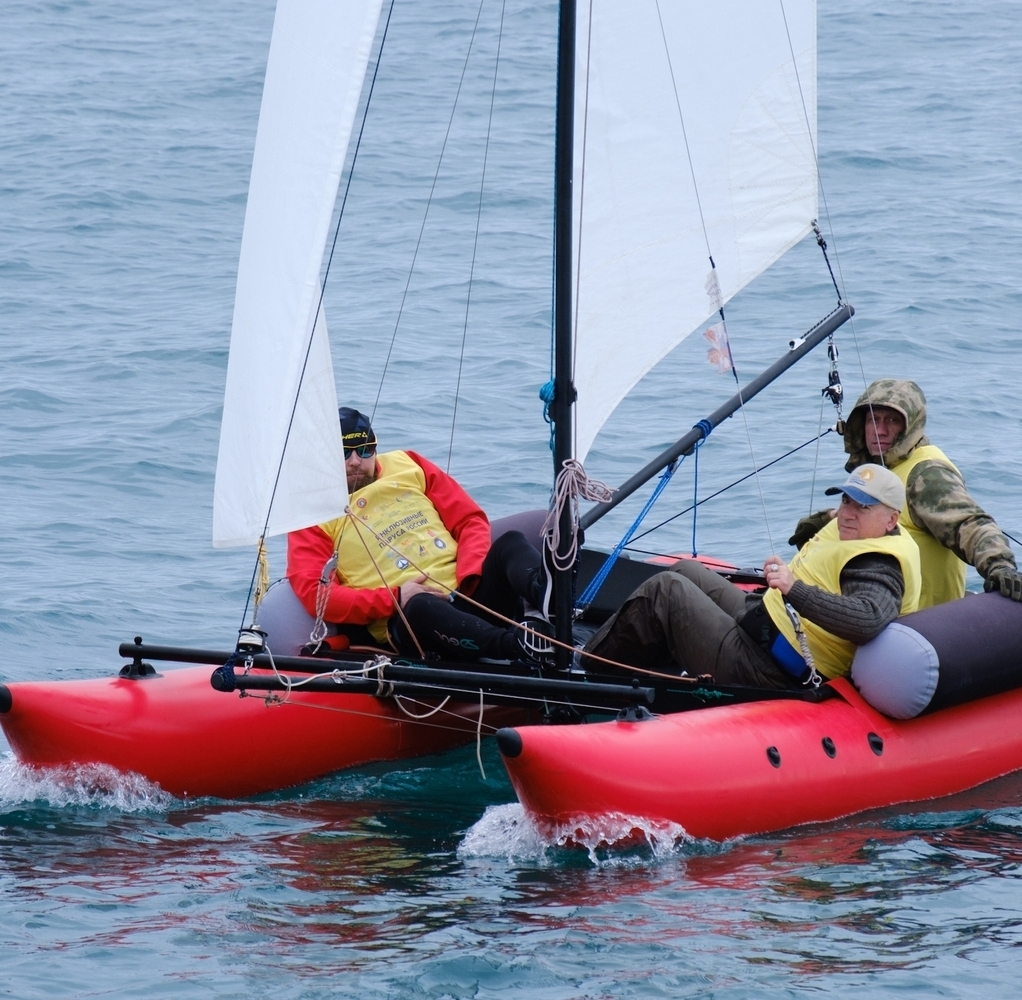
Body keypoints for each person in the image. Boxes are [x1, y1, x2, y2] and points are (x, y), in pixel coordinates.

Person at [583, 465, 921, 689]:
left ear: (891, 520)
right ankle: (643, 668)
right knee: (685, 571)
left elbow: (868, 619)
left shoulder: (877, 562)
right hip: (761, 624)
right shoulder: (858, 529)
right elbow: (822, 534)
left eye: (862, 507)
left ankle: (586, 670)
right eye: (846, 501)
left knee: (666, 591)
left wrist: (794, 588)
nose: (847, 513)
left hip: (770, 669)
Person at [286, 408, 551, 663]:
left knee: (510, 543)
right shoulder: (311, 515)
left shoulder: (408, 463)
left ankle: (553, 601)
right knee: (421, 605)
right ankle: (519, 646)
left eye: (365, 450)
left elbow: (469, 519)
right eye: (344, 453)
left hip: (467, 594)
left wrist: (469, 576)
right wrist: (395, 597)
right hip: (412, 618)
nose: (355, 461)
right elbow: (317, 594)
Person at [790, 379, 1021, 607]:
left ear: (911, 425)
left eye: (892, 421)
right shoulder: (882, 468)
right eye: (873, 419)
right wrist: (829, 519)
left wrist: (1000, 565)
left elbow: (969, 524)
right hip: (865, 603)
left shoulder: (927, 475)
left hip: (912, 620)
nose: (879, 431)